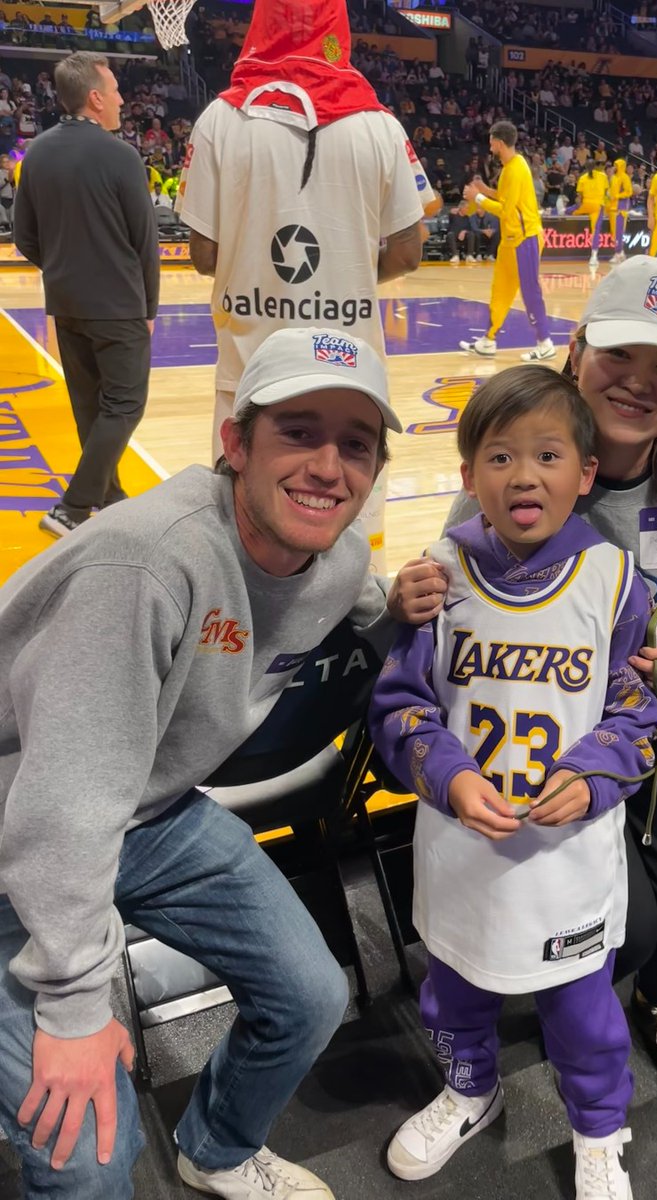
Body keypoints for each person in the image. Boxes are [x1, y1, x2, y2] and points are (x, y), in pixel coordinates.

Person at [0, 325, 407, 1199]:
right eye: (298, 431)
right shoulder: (147, 564)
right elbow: (61, 806)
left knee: (308, 996)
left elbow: (369, 608)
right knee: (87, 1161)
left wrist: (423, 609)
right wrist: (74, 1011)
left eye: (356, 444)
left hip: (142, 812)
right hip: (20, 826)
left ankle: (215, 1146)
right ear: (234, 442)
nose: (329, 467)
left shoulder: (337, 558)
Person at [396, 258, 657, 1105]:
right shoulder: (512, 478)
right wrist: (409, 600)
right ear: (579, 348)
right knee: (632, 930)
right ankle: (557, 1000)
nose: (639, 383)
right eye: (621, 354)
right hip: (553, 749)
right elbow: (448, 623)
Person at [369, 365, 657, 1199]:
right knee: (453, 989)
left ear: (585, 474)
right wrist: (451, 778)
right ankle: (469, 1088)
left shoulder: (615, 580)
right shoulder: (437, 573)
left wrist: (594, 770)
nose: (523, 476)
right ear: (466, 477)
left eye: (546, 455)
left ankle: (599, 1132)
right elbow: (399, 706)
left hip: (565, 857)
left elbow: (638, 714)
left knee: (583, 1016)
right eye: (498, 457)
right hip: (462, 844)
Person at [177, 0, 428, 460]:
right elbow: (409, 251)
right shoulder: (382, 126)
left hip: (250, 373)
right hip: (349, 374)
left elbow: (204, 254)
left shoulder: (218, 120)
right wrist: (340, 278)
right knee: (345, 521)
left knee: (239, 520)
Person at [13, 52, 157, 538]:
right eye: (114, 90)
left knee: (91, 409)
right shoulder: (122, 156)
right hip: (117, 306)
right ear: (95, 99)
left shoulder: (36, 152)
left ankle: (110, 497)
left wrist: (60, 268)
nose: (120, 99)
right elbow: (145, 242)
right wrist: (149, 307)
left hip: (65, 302)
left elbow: (23, 238)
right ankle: (72, 509)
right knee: (125, 406)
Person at [460, 121, 555, 363]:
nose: (489, 146)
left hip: (526, 238)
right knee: (500, 290)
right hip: (510, 240)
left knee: (530, 291)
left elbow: (507, 211)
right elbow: (504, 196)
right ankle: (488, 340)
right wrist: (485, 190)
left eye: (491, 141)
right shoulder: (509, 167)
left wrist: (477, 196)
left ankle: (545, 343)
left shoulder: (516, 168)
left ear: (499, 142)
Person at [571, 157, 608, 269]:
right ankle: (594, 256)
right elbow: (606, 193)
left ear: (586, 168)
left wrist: (577, 209)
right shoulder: (603, 176)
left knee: (569, 211)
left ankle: (557, 211)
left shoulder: (582, 178)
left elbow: (579, 198)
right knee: (595, 231)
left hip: (586, 205)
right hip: (598, 207)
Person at [605, 156, 633, 265]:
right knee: (614, 232)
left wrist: (617, 196)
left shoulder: (625, 177)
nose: (614, 167)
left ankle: (618, 253)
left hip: (621, 208)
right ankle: (620, 252)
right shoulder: (613, 177)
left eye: (616, 165)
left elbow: (629, 192)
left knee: (619, 232)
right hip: (612, 208)